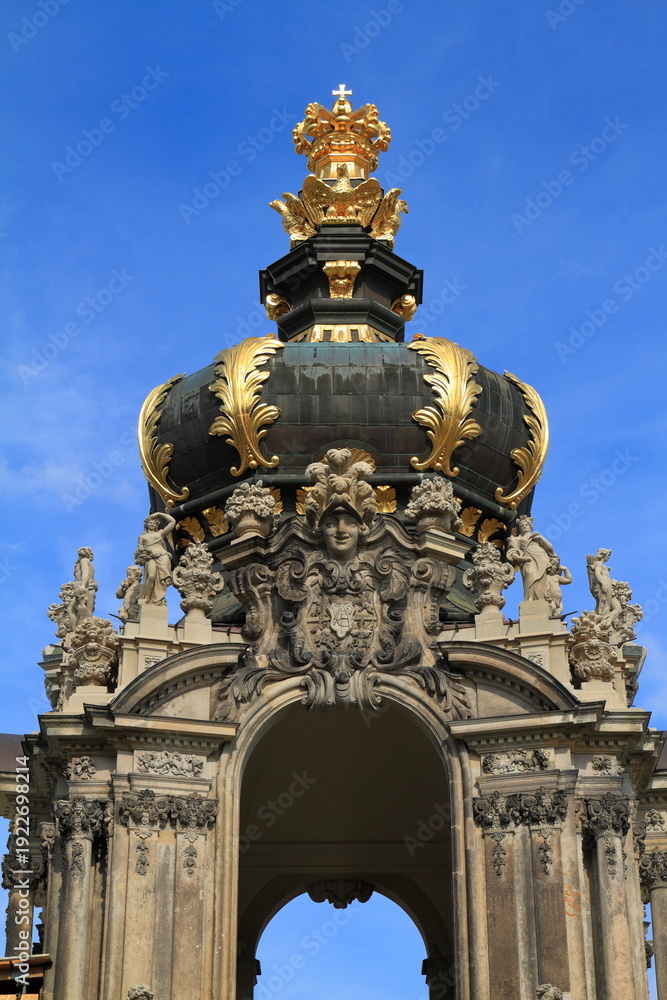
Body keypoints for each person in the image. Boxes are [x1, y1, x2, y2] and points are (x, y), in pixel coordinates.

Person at [506, 515, 556, 602]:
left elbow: (550, 548)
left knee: (541, 580)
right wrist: (522, 559)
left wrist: (540, 538)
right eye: (522, 526)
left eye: (526, 525)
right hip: (527, 560)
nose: (524, 526)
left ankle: (540, 598)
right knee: (529, 574)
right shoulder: (516, 539)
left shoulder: (536, 536)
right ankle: (529, 598)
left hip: (540, 558)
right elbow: (513, 553)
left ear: (530, 527)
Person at [134, 512, 176, 606]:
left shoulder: (160, 534)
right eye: (150, 523)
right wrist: (143, 551)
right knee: (151, 576)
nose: (152, 524)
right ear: (147, 524)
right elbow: (139, 549)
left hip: (162, 555)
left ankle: (157, 600)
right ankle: (146, 598)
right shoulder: (143, 537)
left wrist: (159, 514)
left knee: (161, 579)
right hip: (150, 557)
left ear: (157, 525)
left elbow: (172, 522)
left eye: (154, 523)